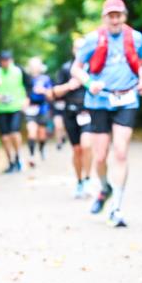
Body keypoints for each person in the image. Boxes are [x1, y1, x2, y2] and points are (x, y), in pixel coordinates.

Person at [71, 0, 142, 227]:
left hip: (127, 99)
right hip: (99, 101)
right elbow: (77, 69)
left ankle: (116, 207)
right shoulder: (92, 39)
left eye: (118, 15)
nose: (115, 19)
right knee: (99, 156)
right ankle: (104, 188)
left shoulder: (135, 38)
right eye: (111, 15)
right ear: (104, 18)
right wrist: (89, 83)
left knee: (121, 152)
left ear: (124, 17)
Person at [50, 38, 92, 198]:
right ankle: (79, 181)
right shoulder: (66, 68)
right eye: (77, 48)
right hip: (70, 113)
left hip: (88, 112)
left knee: (87, 146)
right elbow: (54, 92)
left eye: (83, 48)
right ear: (73, 50)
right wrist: (69, 85)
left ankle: (88, 179)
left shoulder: (93, 67)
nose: (79, 51)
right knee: (77, 149)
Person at [0, 50, 26, 173]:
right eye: (3, 60)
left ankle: (18, 156)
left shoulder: (19, 71)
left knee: (15, 132)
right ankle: (10, 161)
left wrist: (25, 100)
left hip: (15, 107)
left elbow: (27, 84)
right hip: (1, 108)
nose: (5, 63)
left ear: (11, 60)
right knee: (5, 137)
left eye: (7, 60)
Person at [24, 56, 53, 167]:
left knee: (42, 135)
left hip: (43, 109)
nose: (34, 68)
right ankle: (31, 156)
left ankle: (41, 149)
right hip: (31, 108)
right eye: (32, 66)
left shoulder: (45, 79)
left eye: (36, 66)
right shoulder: (27, 79)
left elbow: (51, 95)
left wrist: (43, 91)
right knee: (31, 131)